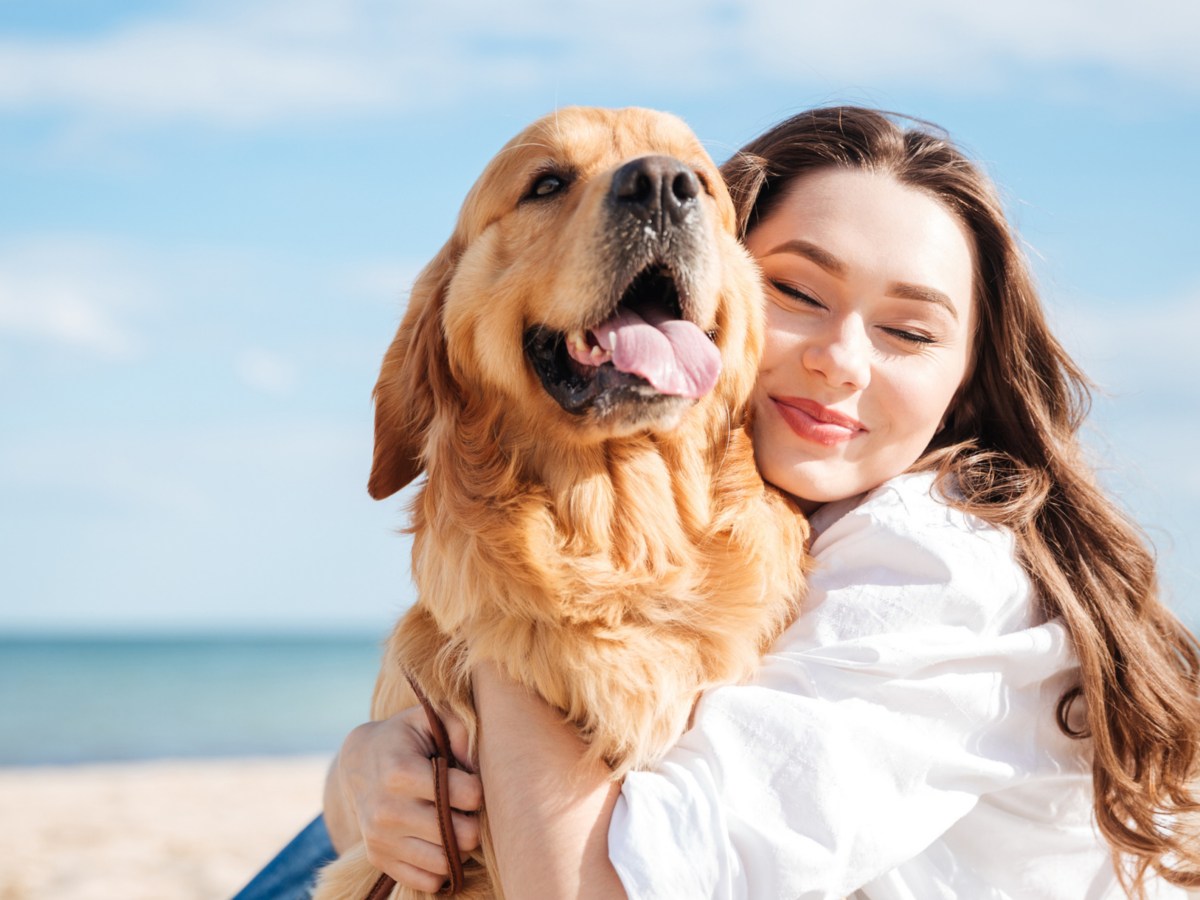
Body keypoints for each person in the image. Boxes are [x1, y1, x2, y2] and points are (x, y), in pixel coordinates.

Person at [267, 107, 1200, 899]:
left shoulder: (935, 560)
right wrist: (360, 775)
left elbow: (600, 880)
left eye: (910, 331)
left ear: (965, 383)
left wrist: (498, 592)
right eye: (796, 288)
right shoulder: (804, 517)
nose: (842, 359)